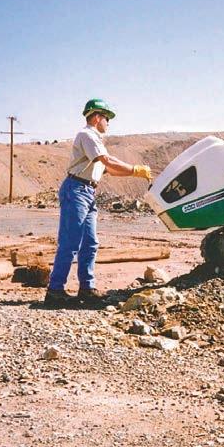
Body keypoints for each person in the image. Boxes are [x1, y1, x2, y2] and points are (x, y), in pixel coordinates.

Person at [44, 98, 151, 306]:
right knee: (70, 242)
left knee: (90, 242)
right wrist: (135, 169)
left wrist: (134, 171)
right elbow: (108, 161)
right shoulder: (87, 135)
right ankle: (55, 290)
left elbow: (110, 168)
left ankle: (87, 288)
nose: (108, 123)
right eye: (106, 118)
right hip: (76, 189)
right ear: (96, 117)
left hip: (87, 191)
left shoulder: (96, 141)